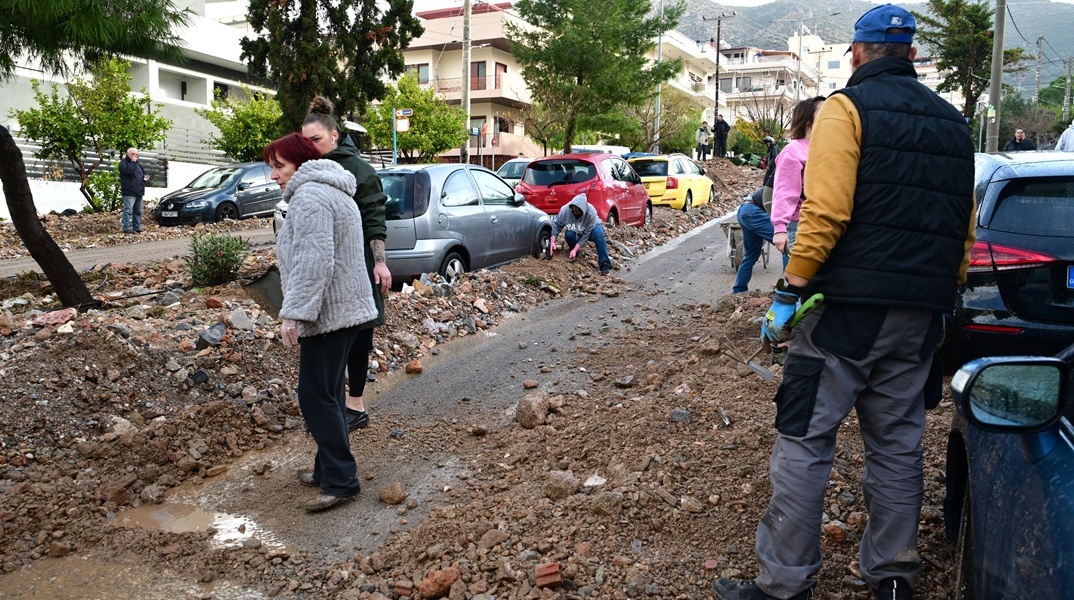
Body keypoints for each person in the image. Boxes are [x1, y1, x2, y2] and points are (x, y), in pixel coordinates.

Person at [713, 5, 976, 600]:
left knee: (805, 438)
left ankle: (785, 586)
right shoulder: (953, 122)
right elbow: (964, 228)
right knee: (898, 444)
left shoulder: (844, 110)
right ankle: (890, 580)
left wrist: (790, 287)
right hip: (921, 314)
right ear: (911, 54)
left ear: (857, 53)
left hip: (849, 310)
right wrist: (943, 290)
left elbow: (826, 211)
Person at [265, 133, 378, 513]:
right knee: (328, 395)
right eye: (272, 168)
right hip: (347, 309)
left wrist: (294, 312)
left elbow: (315, 262)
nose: (273, 175)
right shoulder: (334, 188)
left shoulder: (310, 196)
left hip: (329, 313)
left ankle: (342, 480)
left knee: (314, 397)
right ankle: (325, 468)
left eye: (279, 166)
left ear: (299, 163)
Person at [301, 97, 389, 432]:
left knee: (358, 336)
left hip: (359, 263)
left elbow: (374, 219)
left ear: (335, 136)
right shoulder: (312, 170)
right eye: (306, 141)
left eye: (316, 141)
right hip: (327, 264)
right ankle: (332, 409)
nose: (311, 147)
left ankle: (355, 406)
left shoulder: (358, 169)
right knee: (331, 335)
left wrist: (379, 263)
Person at [771, 97, 826, 269]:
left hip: (818, 225)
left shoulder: (822, 148)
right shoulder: (793, 151)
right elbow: (784, 192)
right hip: (799, 226)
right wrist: (780, 228)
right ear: (808, 120)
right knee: (799, 285)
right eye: (824, 111)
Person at [550, 194, 612, 276]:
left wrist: (576, 249)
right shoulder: (565, 210)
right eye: (573, 210)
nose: (575, 213)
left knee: (599, 234)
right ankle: (574, 254)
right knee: (568, 234)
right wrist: (553, 240)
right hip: (576, 231)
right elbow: (556, 225)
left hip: (591, 230)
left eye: (578, 211)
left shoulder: (591, 212)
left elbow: (586, 235)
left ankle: (604, 264)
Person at [731, 188, 774, 294]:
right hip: (754, 212)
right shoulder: (787, 183)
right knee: (787, 245)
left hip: (745, 210)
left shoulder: (777, 180)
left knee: (750, 256)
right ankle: (791, 290)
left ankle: (738, 291)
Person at [118, 147, 147, 234]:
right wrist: (133, 162)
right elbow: (128, 171)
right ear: (128, 154)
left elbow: (143, 172)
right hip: (129, 191)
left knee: (138, 211)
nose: (135, 156)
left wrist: (146, 177)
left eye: (136, 154)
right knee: (128, 210)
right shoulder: (123, 164)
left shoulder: (138, 164)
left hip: (139, 191)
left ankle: (136, 227)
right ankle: (126, 227)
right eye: (133, 154)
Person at [759, 136, 779, 211]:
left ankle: (766, 198)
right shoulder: (770, 150)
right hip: (771, 168)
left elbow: (774, 158)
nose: (767, 144)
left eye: (768, 142)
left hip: (772, 169)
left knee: (767, 182)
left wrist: (769, 165)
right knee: (765, 181)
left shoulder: (774, 149)